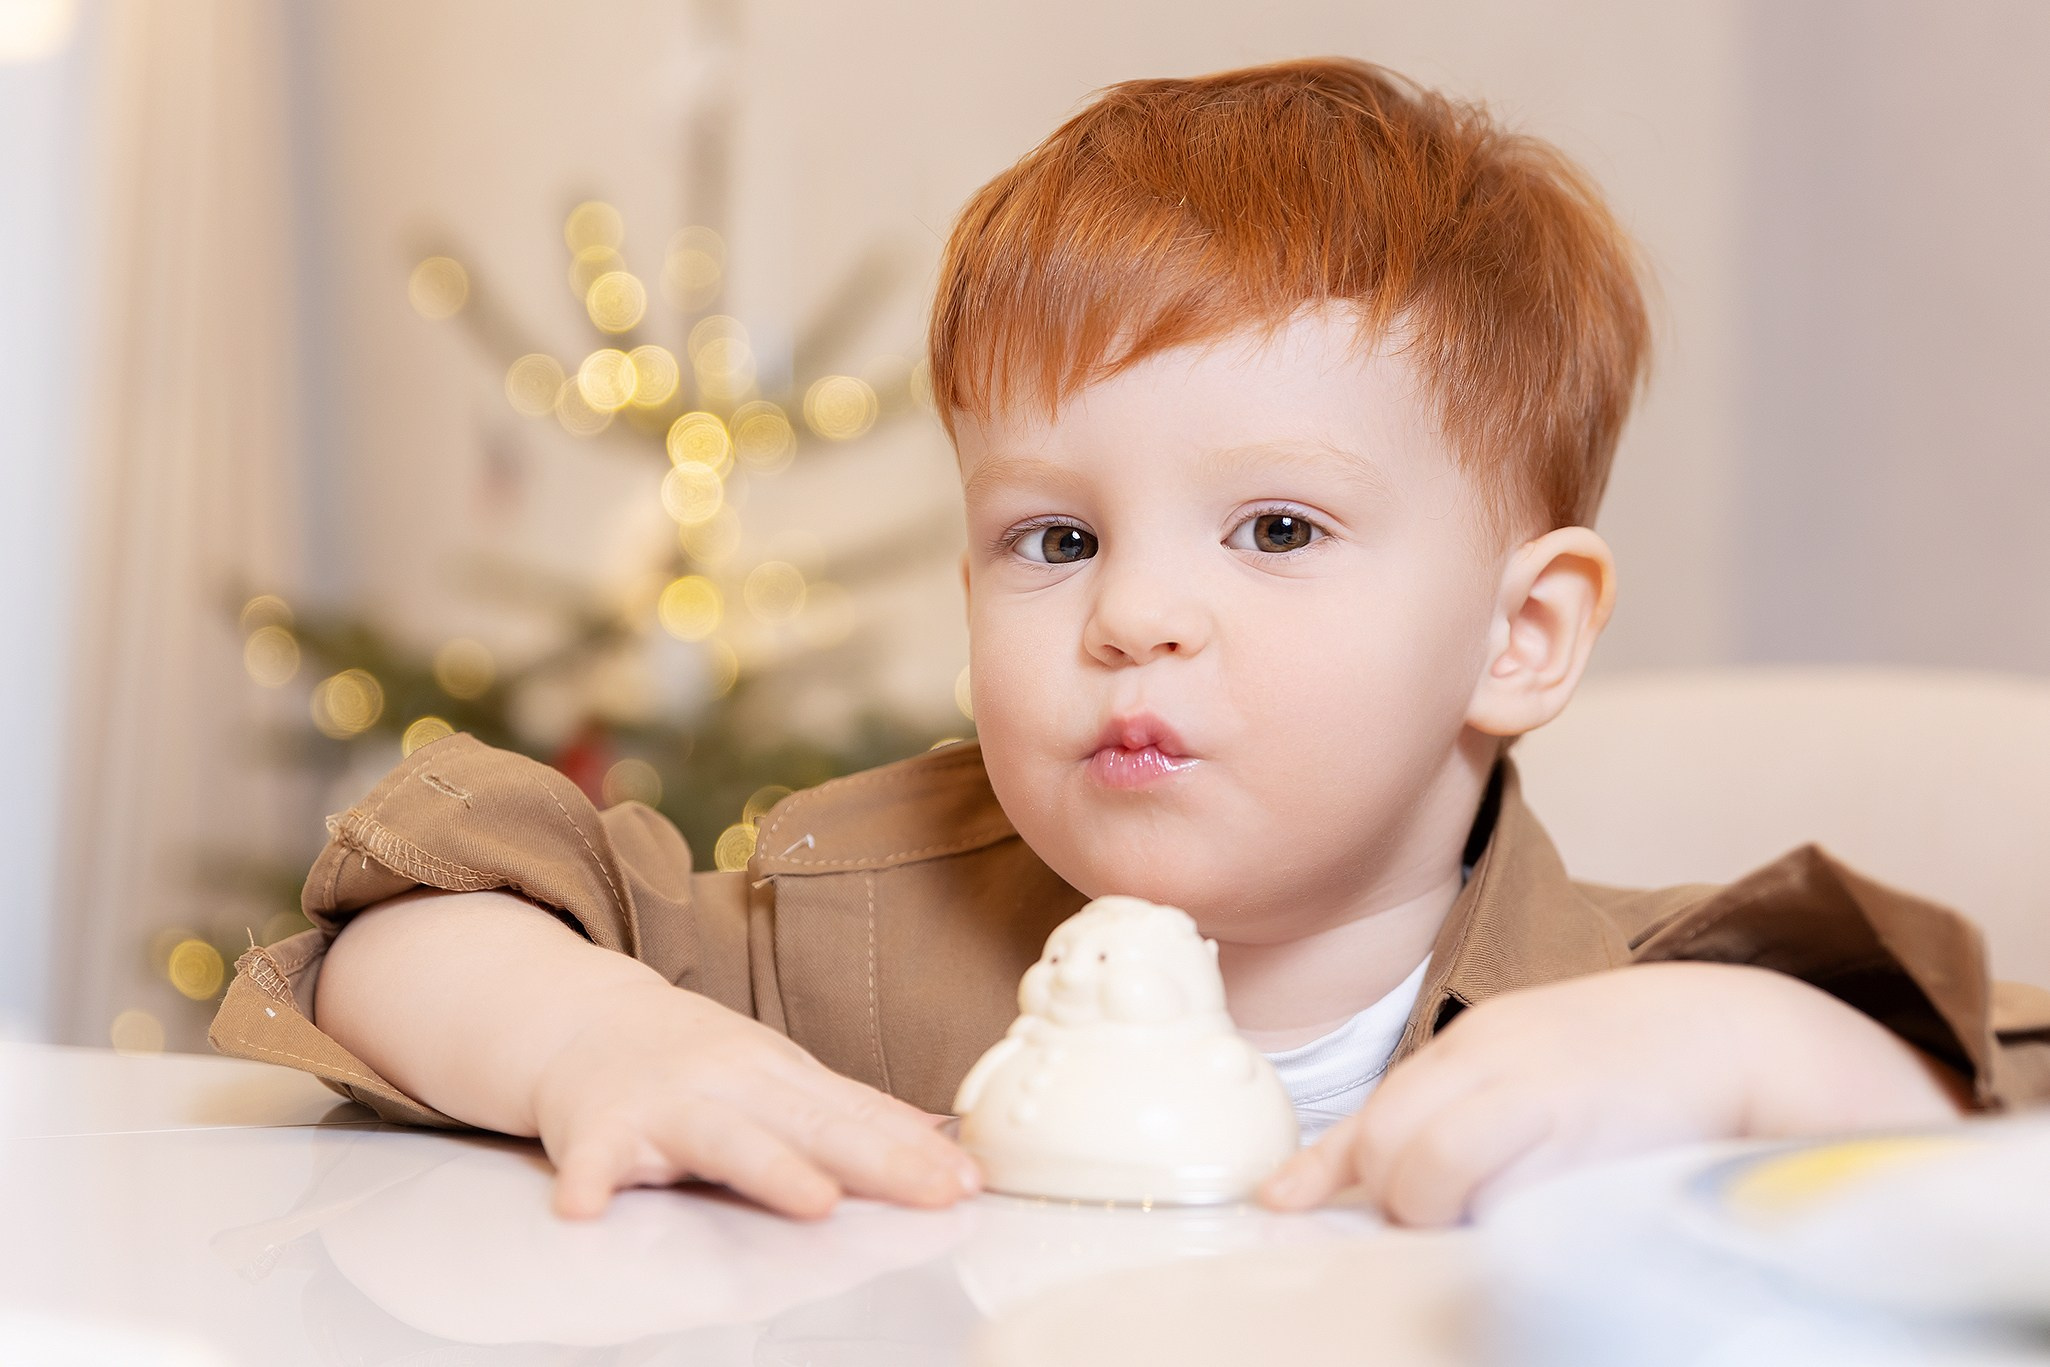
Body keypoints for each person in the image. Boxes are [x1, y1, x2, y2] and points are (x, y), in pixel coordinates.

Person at [210, 56, 2050, 1228]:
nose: (1132, 613)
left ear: (1521, 634)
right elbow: (408, 926)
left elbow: (1989, 1131)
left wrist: (1740, 1053)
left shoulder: (1635, 1009)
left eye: (1275, 530)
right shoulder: (846, 938)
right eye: (1054, 535)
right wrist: (597, 1046)